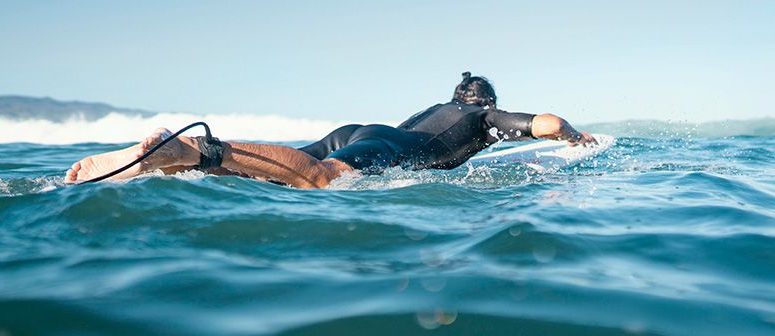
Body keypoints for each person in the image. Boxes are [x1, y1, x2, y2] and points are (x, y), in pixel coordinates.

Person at [65, 72, 596, 188]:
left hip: (359, 129)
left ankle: (161, 162)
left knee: (271, 174)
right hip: (386, 145)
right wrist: (574, 136)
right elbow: (546, 122)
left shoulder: (438, 107)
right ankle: (191, 149)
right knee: (320, 179)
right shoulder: (483, 117)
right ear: (488, 102)